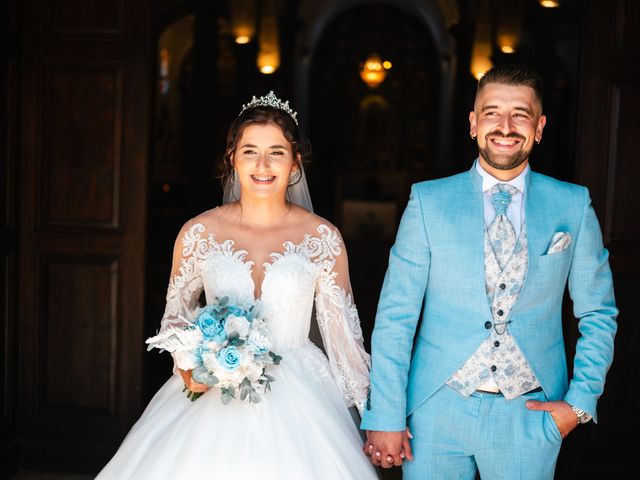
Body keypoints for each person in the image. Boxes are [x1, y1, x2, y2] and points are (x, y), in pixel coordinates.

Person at [96, 92, 377, 479]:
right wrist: (191, 367)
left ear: (296, 161)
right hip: (210, 390)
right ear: (232, 158)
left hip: (302, 393)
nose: (262, 165)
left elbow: (345, 344)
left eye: (276, 152)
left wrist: (377, 420)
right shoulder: (198, 233)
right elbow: (174, 320)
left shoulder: (322, 239)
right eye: (250, 151)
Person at [361, 64, 618, 479]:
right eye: (493, 111)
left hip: (530, 415)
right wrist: (387, 413)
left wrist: (578, 404)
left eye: (521, 113)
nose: (505, 125)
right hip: (435, 411)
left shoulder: (572, 204)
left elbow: (598, 313)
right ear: (473, 122)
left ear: (539, 127)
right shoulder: (428, 201)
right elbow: (396, 316)